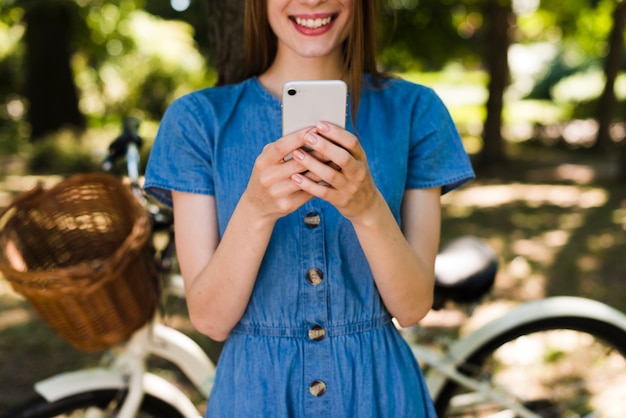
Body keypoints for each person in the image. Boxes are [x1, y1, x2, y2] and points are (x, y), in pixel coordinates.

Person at [144, 0, 474, 416]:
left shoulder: (414, 111)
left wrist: (368, 208)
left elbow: (412, 307)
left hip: (379, 394)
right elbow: (211, 319)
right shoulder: (197, 121)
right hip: (254, 397)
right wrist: (256, 210)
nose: (312, 0)